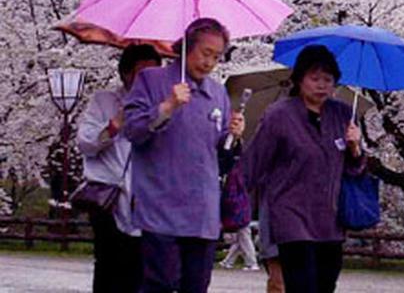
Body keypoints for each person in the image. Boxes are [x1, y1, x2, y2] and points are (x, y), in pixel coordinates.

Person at [123, 18, 244, 293]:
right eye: (205, 53)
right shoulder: (151, 80)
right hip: (160, 203)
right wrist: (166, 107)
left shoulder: (217, 93)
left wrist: (233, 137)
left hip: (202, 208)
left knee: (196, 285)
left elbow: (221, 157)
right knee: (160, 284)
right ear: (186, 47)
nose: (209, 62)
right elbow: (132, 130)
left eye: (216, 56)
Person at [243, 44, 364, 293]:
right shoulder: (279, 115)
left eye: (328, 79)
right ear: (299, 79)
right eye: (315, 78)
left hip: (329, 220)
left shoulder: (343, 115)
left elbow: (355, 171)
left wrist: (356, 148)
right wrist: (235, 200)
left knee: (325, 285)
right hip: (291, 216)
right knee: (301, 284)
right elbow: (254, 162)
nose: (322, 85)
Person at [77, 44, 162, 293]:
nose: (148, 80)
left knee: (143, 269)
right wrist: (115, 124)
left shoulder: (162, 105)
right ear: (125, 73)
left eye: (154, 74)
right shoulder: (105, 100)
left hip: (148, 198)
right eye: (141, 73)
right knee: (109, 266)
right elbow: (86, 143)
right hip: (109, 198)